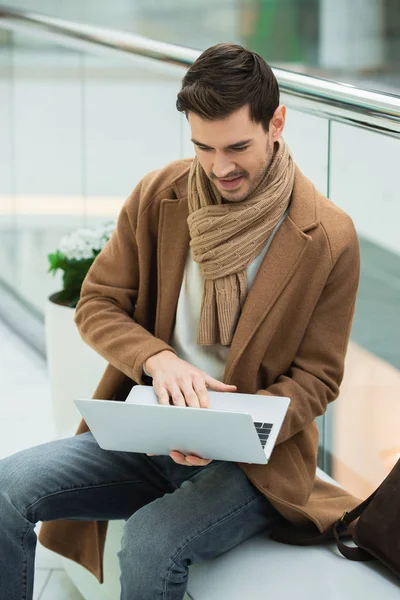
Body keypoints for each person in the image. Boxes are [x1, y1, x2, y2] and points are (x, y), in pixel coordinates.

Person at [0, 43, 361, 600]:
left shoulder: (329, 237)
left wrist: (229, 428)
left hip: (252, 461)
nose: (220, 167)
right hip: (151, 433)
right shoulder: (159, 195)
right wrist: (157, 359)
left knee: (149, 539)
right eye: (203, 147)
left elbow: (318, 379)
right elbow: (97, 302)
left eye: (238, 146)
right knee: (5, 487)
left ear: (277, 123)